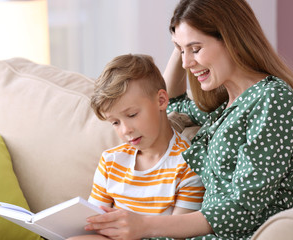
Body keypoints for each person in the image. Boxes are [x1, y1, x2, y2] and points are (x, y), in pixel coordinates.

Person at [75, 0, 293, 239]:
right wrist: (182, 42)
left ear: (231, 38)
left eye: (195, 49)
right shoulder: (222, 105)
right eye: (181, 51)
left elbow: (243, 209)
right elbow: (170, 104)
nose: (186, 63)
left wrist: (144, 225)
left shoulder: (272, 99)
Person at [69, 54, 205, 240]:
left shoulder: (187, 163)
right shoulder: (111, 161)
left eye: (132, 115)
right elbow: (94, 224)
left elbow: (179, 234)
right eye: (115, 122)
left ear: (161, 101)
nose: (126, 130)